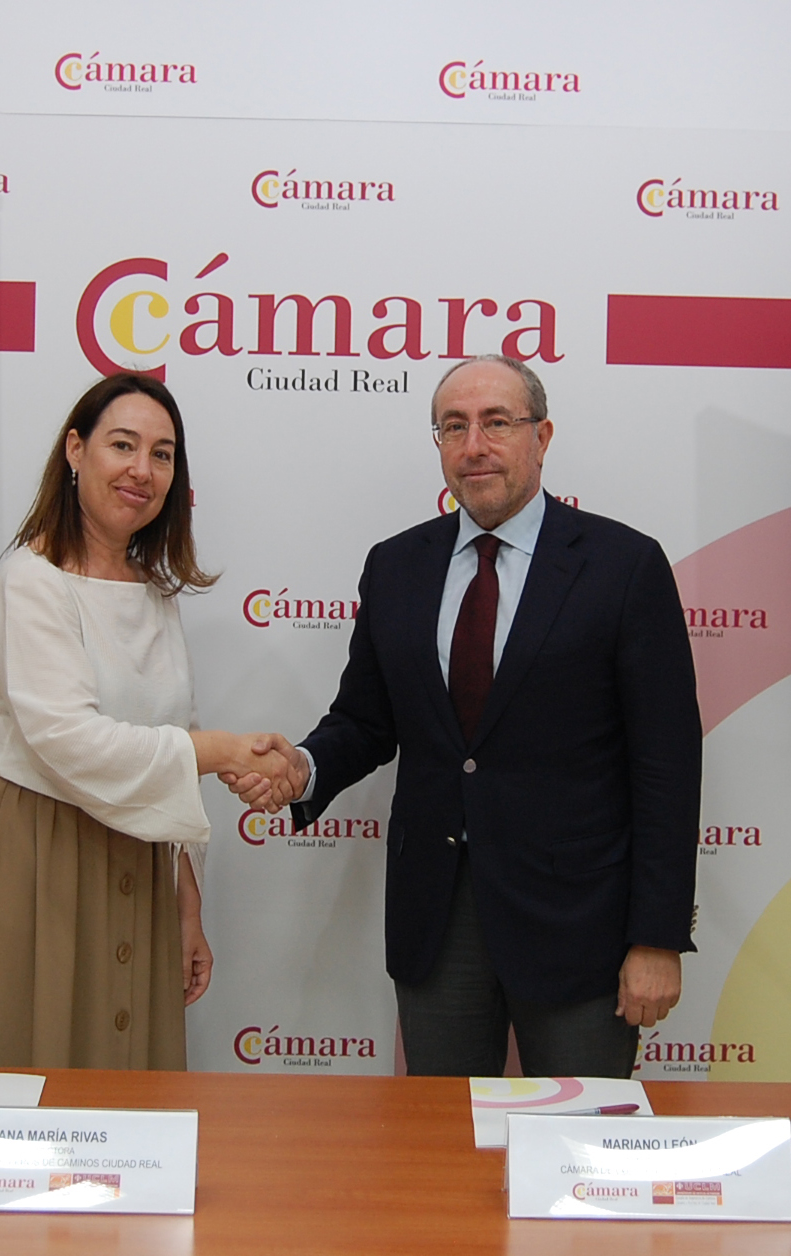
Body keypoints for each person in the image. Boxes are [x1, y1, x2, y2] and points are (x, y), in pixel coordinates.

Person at [232, 355, 701, 1078]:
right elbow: (365, 720)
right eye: (454, 427)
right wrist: (305, 766)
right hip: (436, 920)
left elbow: (666, 764)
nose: (474, 445)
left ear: (542, 438)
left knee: (578, 1135)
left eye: (497, 423)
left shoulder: (623, 565)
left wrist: (658, 937)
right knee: (442, 1137)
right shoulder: (396, 566)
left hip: (580, 927)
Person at [0, 372, 297, 1070]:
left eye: (162, 454)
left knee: (119, 1094)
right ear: (75, 450)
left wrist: (186, 907)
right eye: (123, 445)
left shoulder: (156, 592)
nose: (142, 470)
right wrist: (224, 751)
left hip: (137, 864)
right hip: (29, 860)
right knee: (21, 1081)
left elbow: (175, 740)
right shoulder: (32, 579)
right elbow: (69, 740)